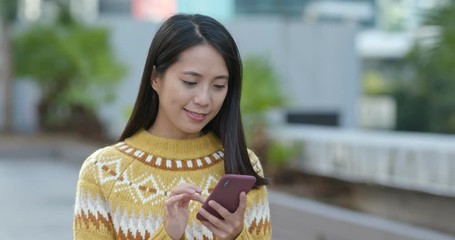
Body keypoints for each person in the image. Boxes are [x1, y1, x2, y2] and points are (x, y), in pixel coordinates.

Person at [73, 13, 271, 240]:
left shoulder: (243, 167)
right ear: (155, 78)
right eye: (190, 82)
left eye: (218, 85)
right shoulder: (103, 171)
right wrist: (168, 236)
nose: (204, 99)